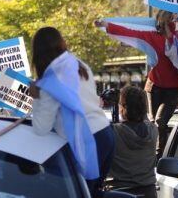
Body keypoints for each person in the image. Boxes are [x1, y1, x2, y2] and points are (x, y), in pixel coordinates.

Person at [28, 27, 114, 197]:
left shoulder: (49, 83)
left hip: (86, 142)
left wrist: (36, 96)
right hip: (106, 134)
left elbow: (40, 128)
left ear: (38, 54)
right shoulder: (78, 64)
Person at [95, 10, 178, 155]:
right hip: (155, 86)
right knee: (151, 121)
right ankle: (149, 152)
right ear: (160, 23)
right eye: (169, 20)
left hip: (175, 88)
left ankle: (158, 156)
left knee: (160, 122)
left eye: (175, 20)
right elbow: (131, 32)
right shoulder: (152, 37)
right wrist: (107, 25)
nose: (173, 23)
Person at [108, 85, 158, 198]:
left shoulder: (113, 132)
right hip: (148, 192)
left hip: (119, 192)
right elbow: (143, 119)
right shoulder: (153, 130)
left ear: (123, 108)